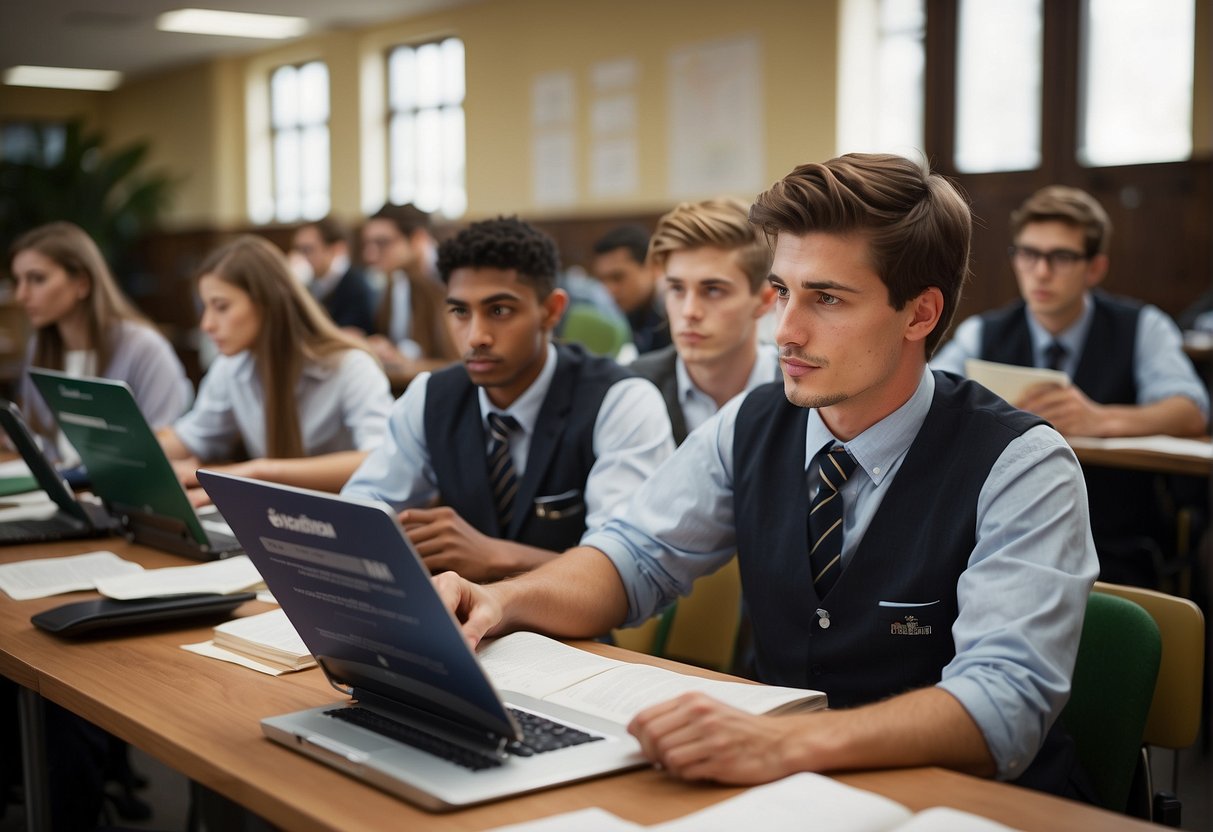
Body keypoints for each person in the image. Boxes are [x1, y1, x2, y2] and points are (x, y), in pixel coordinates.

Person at [435, 155, 1098, 799]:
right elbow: (632, 557)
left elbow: (1002, 706)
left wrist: (781, 745)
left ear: (918, 314)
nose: (785, 329)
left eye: (827, 299)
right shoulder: (751, 422)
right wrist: (501, 601)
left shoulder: (1022, 465)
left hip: (955, 805)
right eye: (780, 291)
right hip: (784, 797)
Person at [343, 216, 674, 583]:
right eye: (460, 311)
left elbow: (627, 566)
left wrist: (497, 557)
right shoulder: (430, 396)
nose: (475, 337)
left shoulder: (621, 401)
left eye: (499, 311)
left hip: (571, 634)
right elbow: (361, 510)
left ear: (551, 310)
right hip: (456, 622)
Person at [932, 185, 1209, 585]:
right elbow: (932, 395)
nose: (1041, 271)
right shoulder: (982, 332)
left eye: (1060, 257)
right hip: (995, 536)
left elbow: (1191, 411)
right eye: (1028, 254)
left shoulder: (1142, 327)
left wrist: (1101, 419)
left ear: (1095, 268)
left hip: (1113, 545)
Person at [158, 235, 392, 506]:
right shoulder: (230, 367)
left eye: (221, 307)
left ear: (268, 304)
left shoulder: (351, 366)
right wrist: (122, 451)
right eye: (205, 307)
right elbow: (192, 436)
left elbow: (381, 458)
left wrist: (259, 472)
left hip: (345, 514)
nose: (207, 324)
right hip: (274, 515)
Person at [8, 221, 192, 464]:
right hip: (64, 488)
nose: (21, 295)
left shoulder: (145, 348)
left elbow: (164, 447)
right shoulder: (38, 349)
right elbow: (42, 442)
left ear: (82, 283)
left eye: (37, 279)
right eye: (18, 281)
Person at [632, 197, 778, 443]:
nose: (689, 311)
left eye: (713, 290)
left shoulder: (806, 395)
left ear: (764, 300)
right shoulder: (629, 389)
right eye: (676, 289)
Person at [361, 203, 459, 375]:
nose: (370, 255)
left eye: (382, 243)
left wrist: (409, 365)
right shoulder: (397, 278)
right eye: (368, 244)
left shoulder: (452, 282)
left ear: (417, 239)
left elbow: (462, 363)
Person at [591, 225, 671, 355]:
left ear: (652, 265)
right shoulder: (631, 310)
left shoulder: (675, 311)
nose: (609, 290)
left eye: (617, 277)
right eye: (602, 280)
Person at [290, 216, 377, 334]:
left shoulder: (356, 286)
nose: (299, 257)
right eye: (297, 250)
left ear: (337, 249)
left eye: (307, 250)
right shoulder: (311, 283)